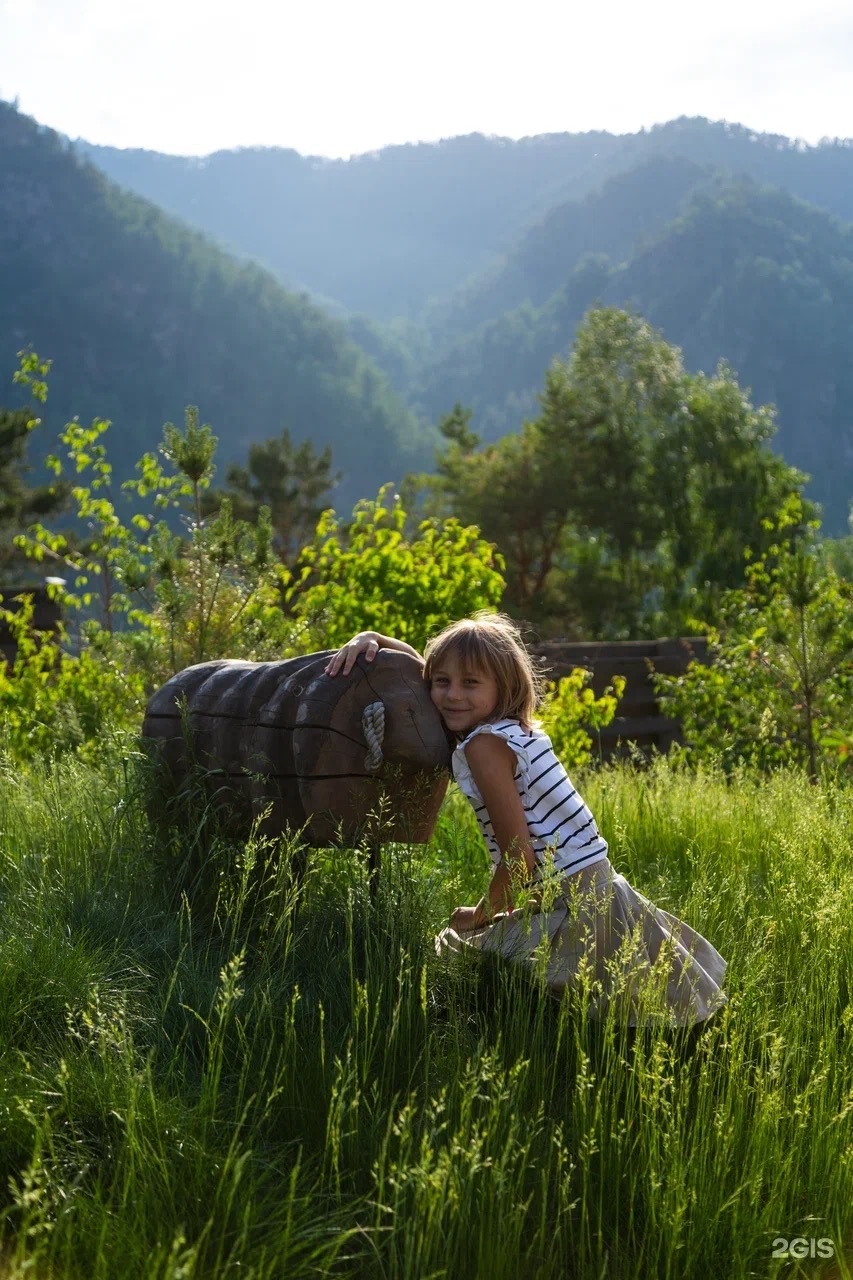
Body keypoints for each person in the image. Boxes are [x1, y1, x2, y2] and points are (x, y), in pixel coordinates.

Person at [325, 614, 727, 1027]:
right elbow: (428, 668)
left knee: (450, 948)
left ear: (504, 687)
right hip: (599, 889)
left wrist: (479, 914)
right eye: (440, 683)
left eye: (470, 683)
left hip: (573, 903)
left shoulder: (485, 747)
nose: (451, 695)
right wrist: (376, 639)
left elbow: (519, 859)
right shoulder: (515, 730)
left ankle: (454, 1035)